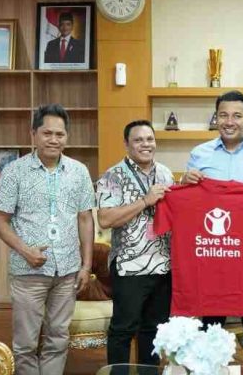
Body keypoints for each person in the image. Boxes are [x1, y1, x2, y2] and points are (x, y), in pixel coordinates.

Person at [0, 104, 95, 375]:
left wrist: (86, 266)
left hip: (67, 271)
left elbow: (85, 219)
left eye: (60, 134)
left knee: (58, 338)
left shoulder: (79, 171)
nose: (53, 140)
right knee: (25, 343)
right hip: (28, 271)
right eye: (47, 133)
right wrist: (26, 251)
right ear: (33, 134)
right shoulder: (14, 171)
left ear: (67, 137)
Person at [182, 90, 243, 365]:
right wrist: (184, 182)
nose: (229, 121)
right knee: (211, 321)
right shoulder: (199, 154)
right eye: (223, 115)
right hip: (213, 252)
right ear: (216, 118)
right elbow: (189, 203)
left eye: (237, 115)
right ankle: (208, 370)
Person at [96, 120, 174, 366]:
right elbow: (105, 219)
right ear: (126, 144)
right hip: (129, 266)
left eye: (149, 139)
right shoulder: (113, 176)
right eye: (138, 140)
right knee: (123, 329)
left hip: (163, 265)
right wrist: (144, 201)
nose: (145, 144)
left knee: (154, 329)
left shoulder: (166, 173)